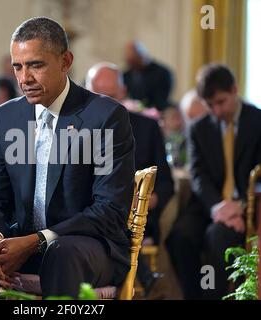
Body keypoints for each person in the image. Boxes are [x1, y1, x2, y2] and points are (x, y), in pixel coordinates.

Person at [0, 17, 135, 298]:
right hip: (23, 240)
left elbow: (109, 211)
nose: (25, 78)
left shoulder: (105, 116)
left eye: (36, 65)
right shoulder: (6, 117)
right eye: (18, 66)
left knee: (61, 253)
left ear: (66, 61)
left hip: (89, 245)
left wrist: (38, 241)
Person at [166, 64, 261, 299]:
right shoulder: (199, 128)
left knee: (217, 238)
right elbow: (198, 174)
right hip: (211, 204)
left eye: (221, 102)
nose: (216, 111)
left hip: (251, 208)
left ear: (235, 90)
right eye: (210, 105)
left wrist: (241, 210)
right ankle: (195, 297)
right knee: (179, 237)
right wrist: (219, 206)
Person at [86, 62, 174, 299]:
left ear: (123, 94)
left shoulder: (147, 127)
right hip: (91, 212)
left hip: (136, 214)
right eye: (97, 96)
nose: (103, 102)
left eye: (111, 96)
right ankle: (145, 279)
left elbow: (167, 184)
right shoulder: (74, 130)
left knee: (113, 219)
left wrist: (148, 199)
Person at [123, 41, 173, 111]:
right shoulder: (126, 75)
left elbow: (160, 100)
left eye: (134, 61)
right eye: (129, 61)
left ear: (142, 56)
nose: (131, 66)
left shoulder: (162, 73)